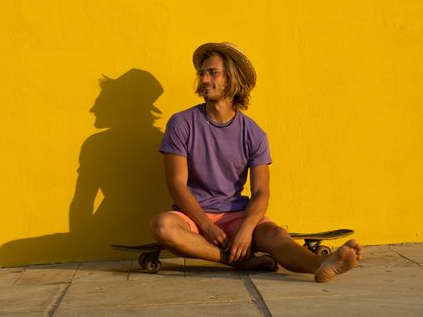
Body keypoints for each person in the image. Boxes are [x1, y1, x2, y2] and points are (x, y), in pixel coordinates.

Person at [150, 42, 362, 282]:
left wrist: (247, 229)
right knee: (162, 226)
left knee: (275, 235)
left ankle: (320, 264)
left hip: (236, 213)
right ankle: (235, 260)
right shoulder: (182, 124)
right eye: (202, 73)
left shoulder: (253, 133)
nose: (205, 79)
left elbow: (261, 191)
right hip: (192, 215)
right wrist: (206, 226)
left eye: (213, 73)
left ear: (232, 79)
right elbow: (177, 184)